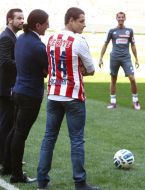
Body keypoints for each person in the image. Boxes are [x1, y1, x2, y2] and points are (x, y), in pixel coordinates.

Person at [37, 7, 100, 190]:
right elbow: (91, 69)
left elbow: (50, 66)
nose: (84, 24)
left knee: (48, 138)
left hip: (54, 94)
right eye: (81, 21)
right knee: (77, 140)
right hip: (73, 95)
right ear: (70, 20)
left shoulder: (51, 38)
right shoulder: (79, 40)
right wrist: (79, 71)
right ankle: (80, 182)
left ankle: (42, 181)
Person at [9, 9, 49, 183]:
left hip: (17, 90)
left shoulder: (21, 38)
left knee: (15, 131)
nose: (48, 26)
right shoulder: (38, 45)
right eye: (46, 23)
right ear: (38, 25)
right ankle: (16, 174)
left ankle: (9, 166)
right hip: (30, 94)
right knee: (20, 134)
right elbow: (47, 70)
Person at [99, 11, 141, 110]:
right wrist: (101, 57)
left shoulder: (129, 31)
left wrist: (136, 59)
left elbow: (133, 45)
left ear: (125, 18)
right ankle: (113, 102)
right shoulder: (112, 31)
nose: (121, 19)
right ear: (116, 18)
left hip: (126, 58)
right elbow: (105, 44)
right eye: (119, 17)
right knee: (113, 79)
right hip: (114, 58)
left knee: (132, 78)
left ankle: (135, 101)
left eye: (122, 17)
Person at [0, 8, 24, 170]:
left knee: (8, 124)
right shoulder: (6, 37)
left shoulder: (11, 36)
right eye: (19, 18)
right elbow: (5, 62)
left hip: (9, 87)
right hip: (5, 88)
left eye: (23, 18)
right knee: (5, 124)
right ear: (10, 20)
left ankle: (6, 158)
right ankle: (4, 159)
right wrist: (24, 64)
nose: (22, 21)